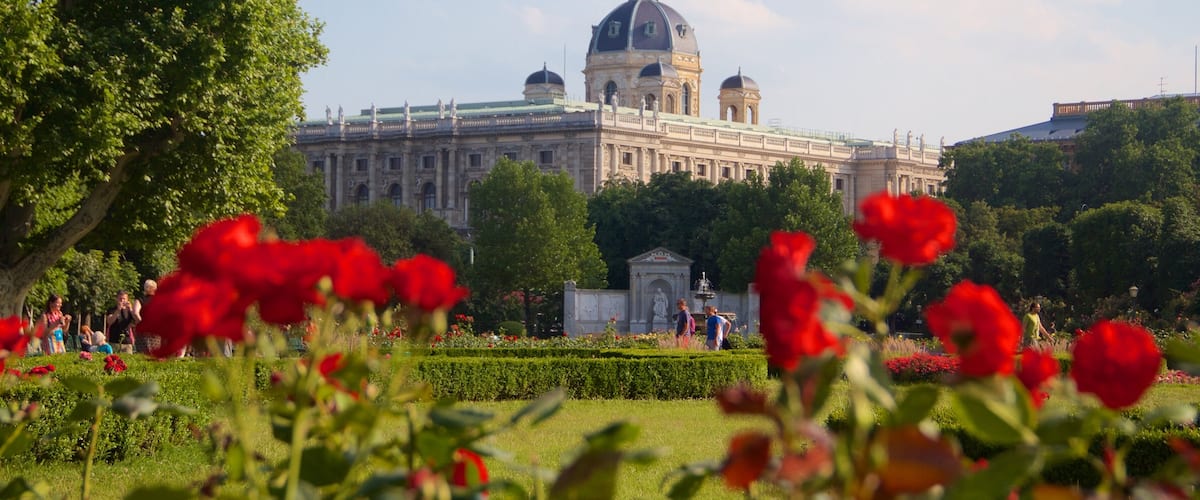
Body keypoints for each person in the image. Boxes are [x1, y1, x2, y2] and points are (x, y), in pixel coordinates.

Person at [134, 279, 158, 354]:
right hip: (156, 332)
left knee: (142, 356)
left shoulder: (140, 300)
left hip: (142, 333)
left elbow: (135, 313)